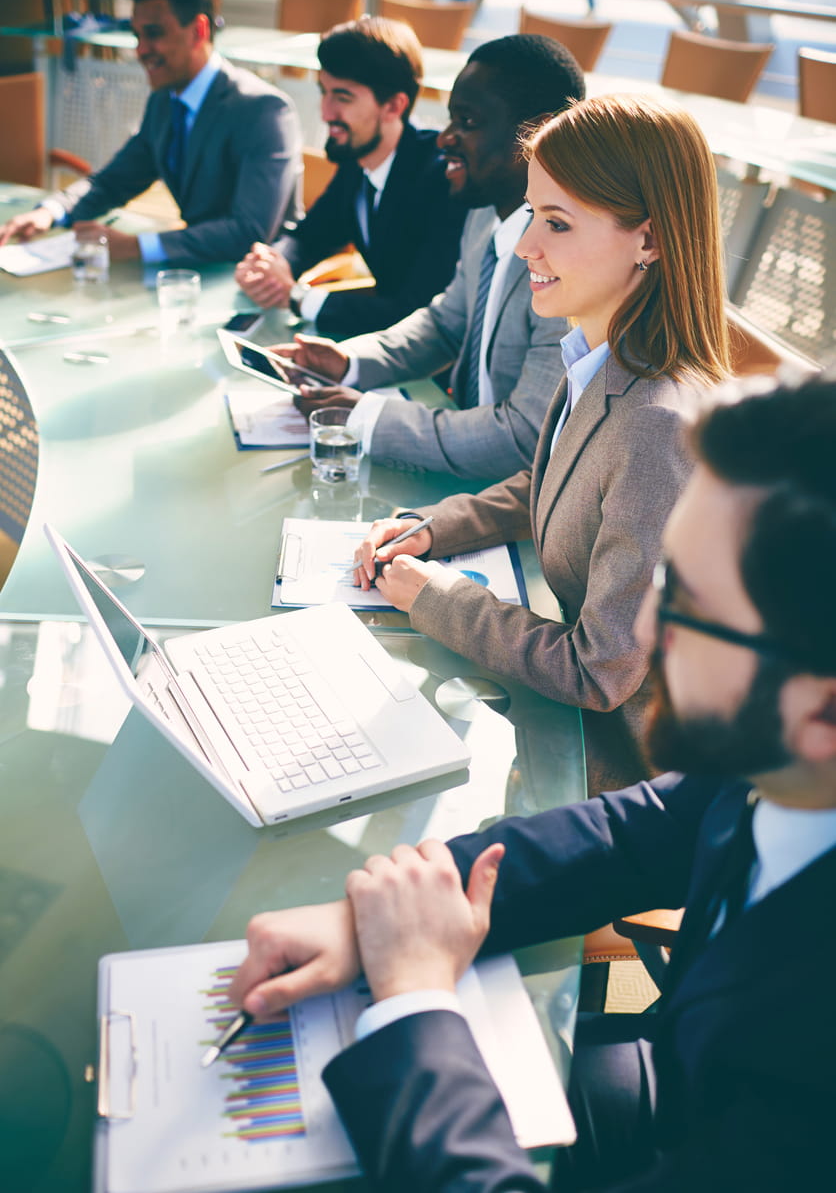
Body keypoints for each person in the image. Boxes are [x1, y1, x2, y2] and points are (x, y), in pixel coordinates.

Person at [230, 376, 836, 1193]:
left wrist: (413, 1001)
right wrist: (394, 914)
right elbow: (640, 827)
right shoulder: (784, 763)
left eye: (687, 605)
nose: (647, 630)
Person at [352, 93, 733, 791]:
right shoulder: (601, 352)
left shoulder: (658, 426)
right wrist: (436, 527)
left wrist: (435, 596)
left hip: (622, 780)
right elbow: (559, 476)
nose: (527, 244)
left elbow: (597, 671)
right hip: (556, 730)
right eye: (532, 213)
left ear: (649, 240)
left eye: (556, 223)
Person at [268, 33, 586, 480]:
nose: (445, 139)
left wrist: (369, 419)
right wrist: (348, 362)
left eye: (468, 122)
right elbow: (444, 323)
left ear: (541, 133)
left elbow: (523, 437)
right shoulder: (482, 216)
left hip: (517, 495)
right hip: (460, 469)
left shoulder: (568, 262)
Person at [0, 0, 302, 265]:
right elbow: (112, 182)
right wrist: (50, 212)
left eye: (154, 34)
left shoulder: (264, 110)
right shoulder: (164, 101)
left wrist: (136, 246)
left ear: (199, 30)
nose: (141, 50)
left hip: (260, 282)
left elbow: (247, 232)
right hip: (197, 269)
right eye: (137, 36)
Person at [234, 16, 467, 338]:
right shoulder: (357, 162)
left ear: (393, 106)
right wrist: (271, 266)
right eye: (324, 92)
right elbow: (309, 237)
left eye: (342, 98)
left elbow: (415, 310)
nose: (325, 113)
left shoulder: (443, 180)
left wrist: (297, 296)